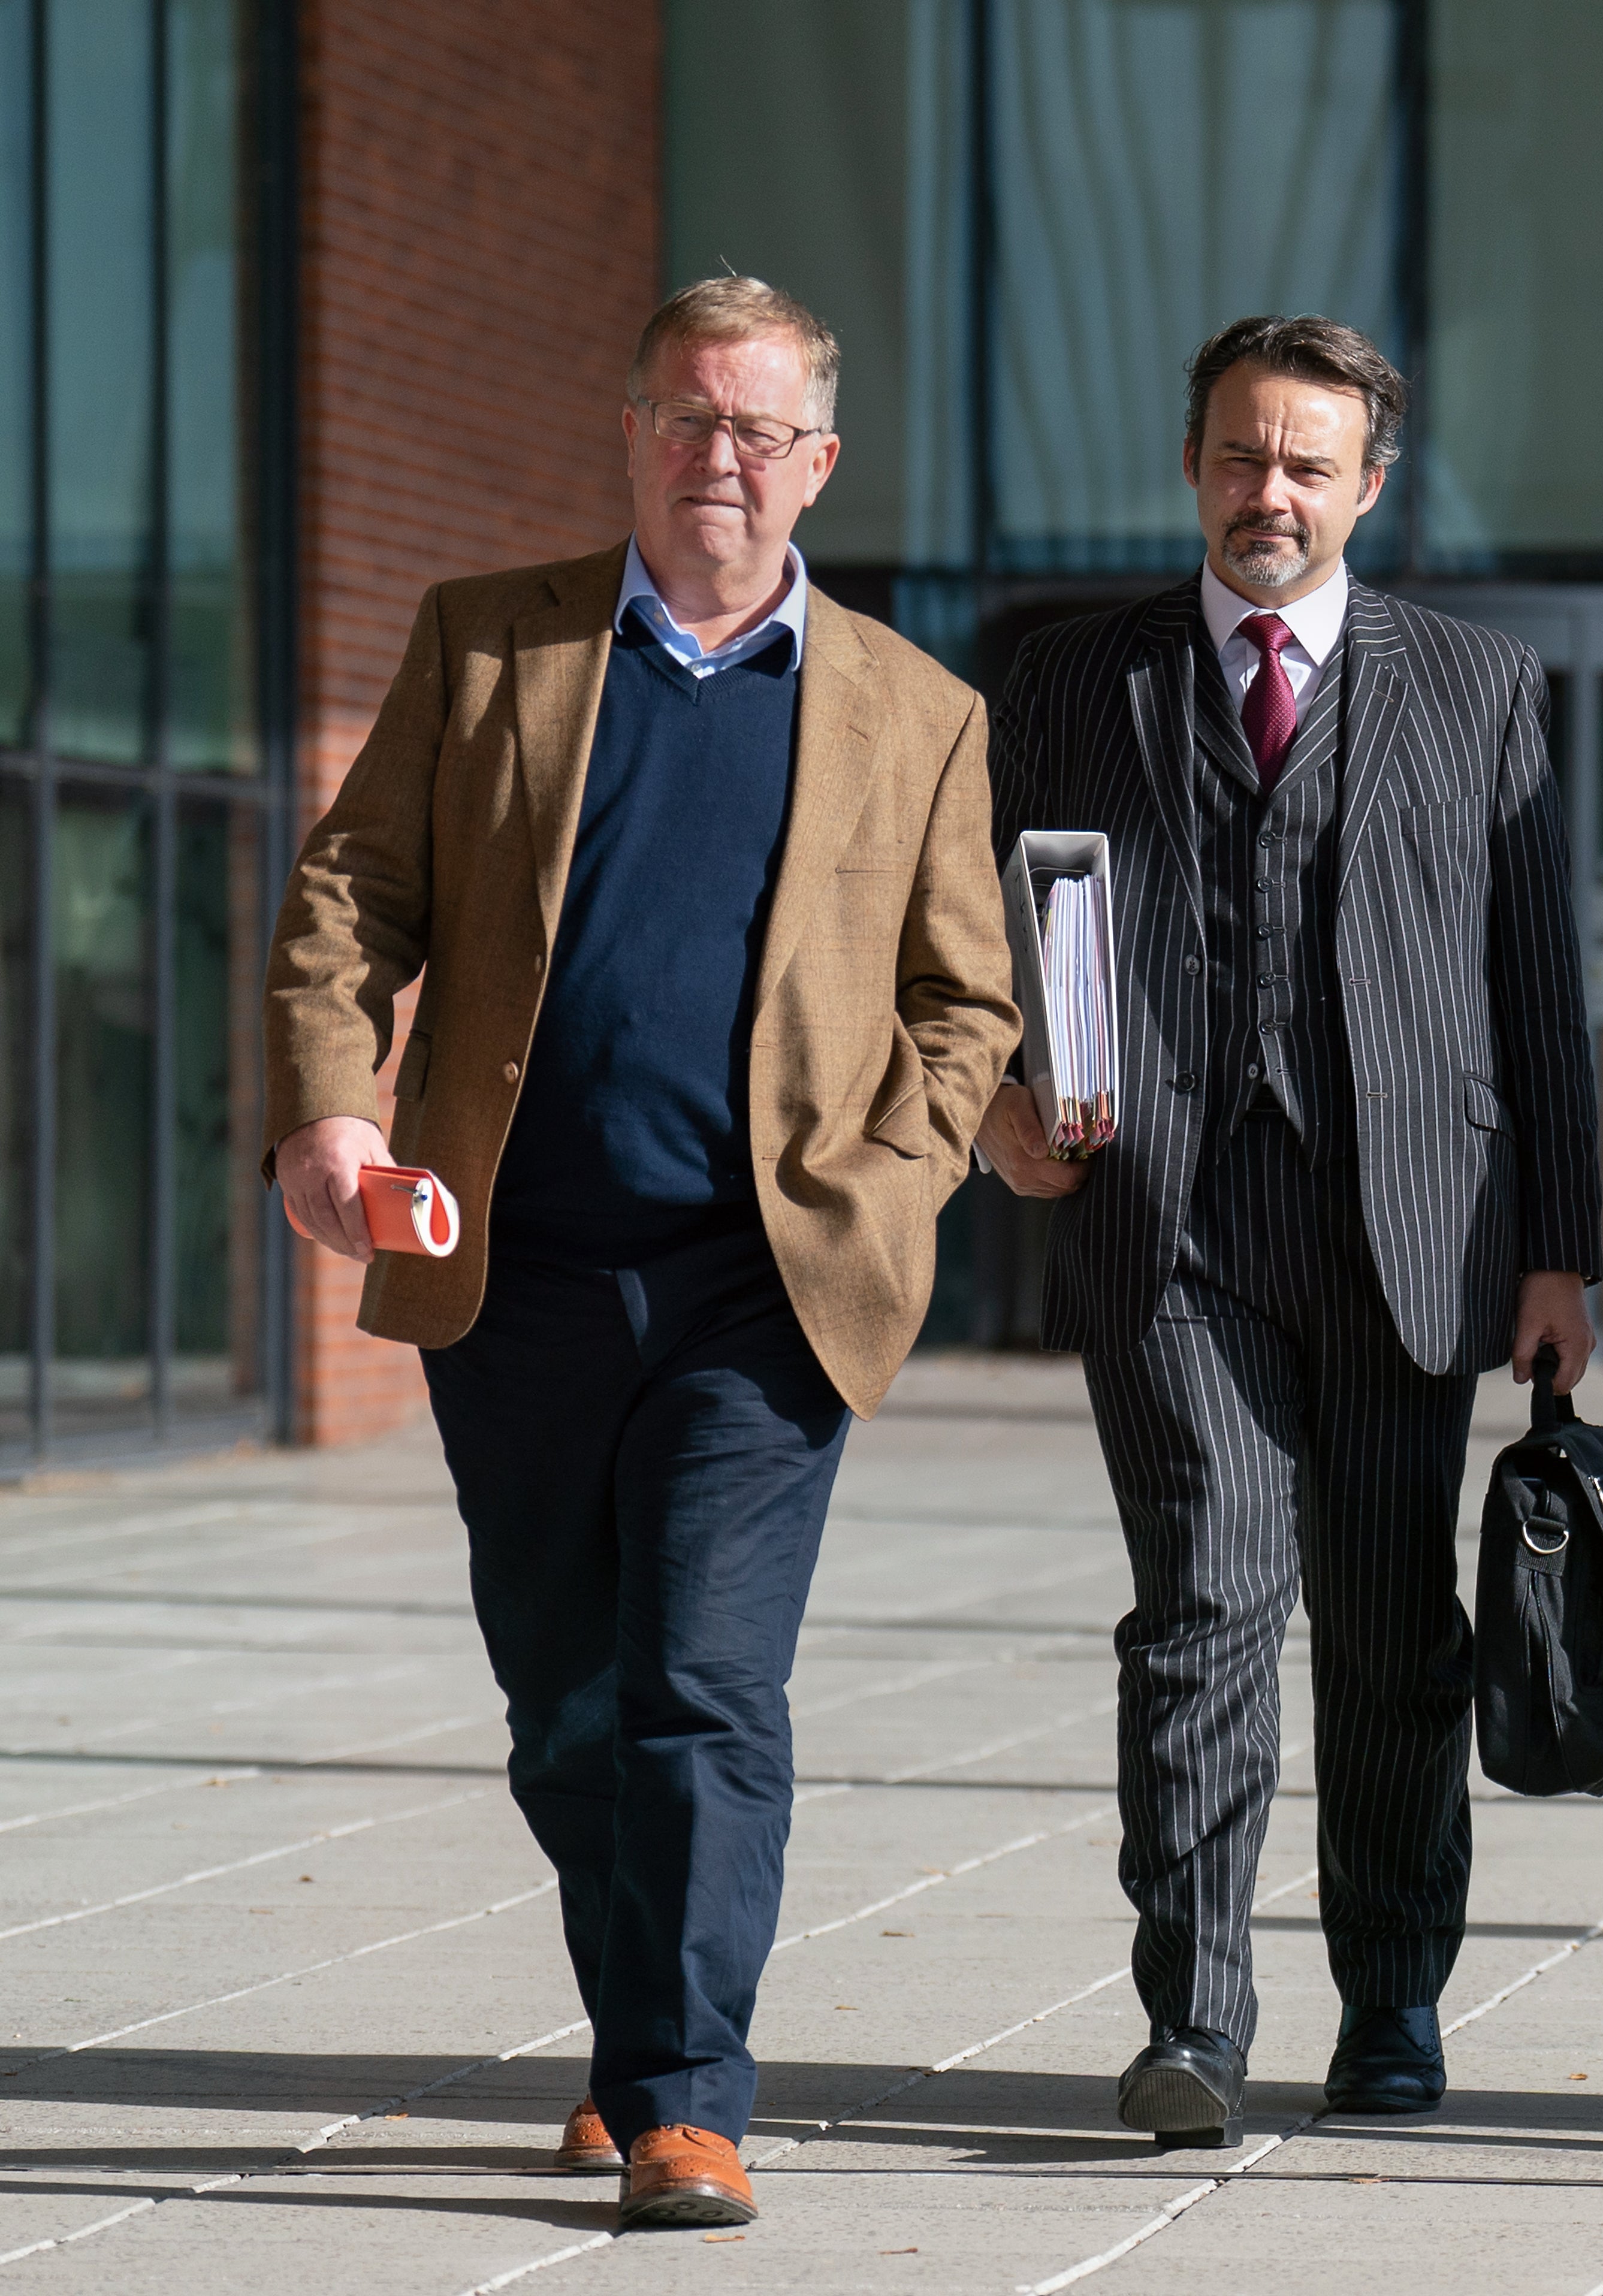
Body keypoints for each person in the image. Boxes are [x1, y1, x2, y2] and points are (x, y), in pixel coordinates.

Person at [262, 277, 1015, 2230]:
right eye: (687, 420)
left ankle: (689, 2097)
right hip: (506, 1272)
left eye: (761, 430)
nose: (720, 460)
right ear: (631, 437)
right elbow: (355, 896)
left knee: (701, 1682)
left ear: (818, 464)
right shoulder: (486, 645)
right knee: (567, 1701)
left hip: (763, 1289)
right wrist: (335, 1110)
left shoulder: (916, 713)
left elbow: (966, 1002)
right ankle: (635, 2045)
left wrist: (899, 1176)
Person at [981, 315, 1599, 2149]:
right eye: (1244, 456)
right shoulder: (1066, 677)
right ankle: (1195, 2018)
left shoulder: (1480, 685)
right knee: (1200, 1609)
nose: (1272, 493)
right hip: (1164, 1215)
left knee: (1400, 1634)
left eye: (1309, 465)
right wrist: (997, 1094)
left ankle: (1393, 2002)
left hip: (1413, 1222)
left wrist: (1558, 1250)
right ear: (1194, 464)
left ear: (1368, 489)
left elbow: (1536, 992)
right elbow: (976, 919)